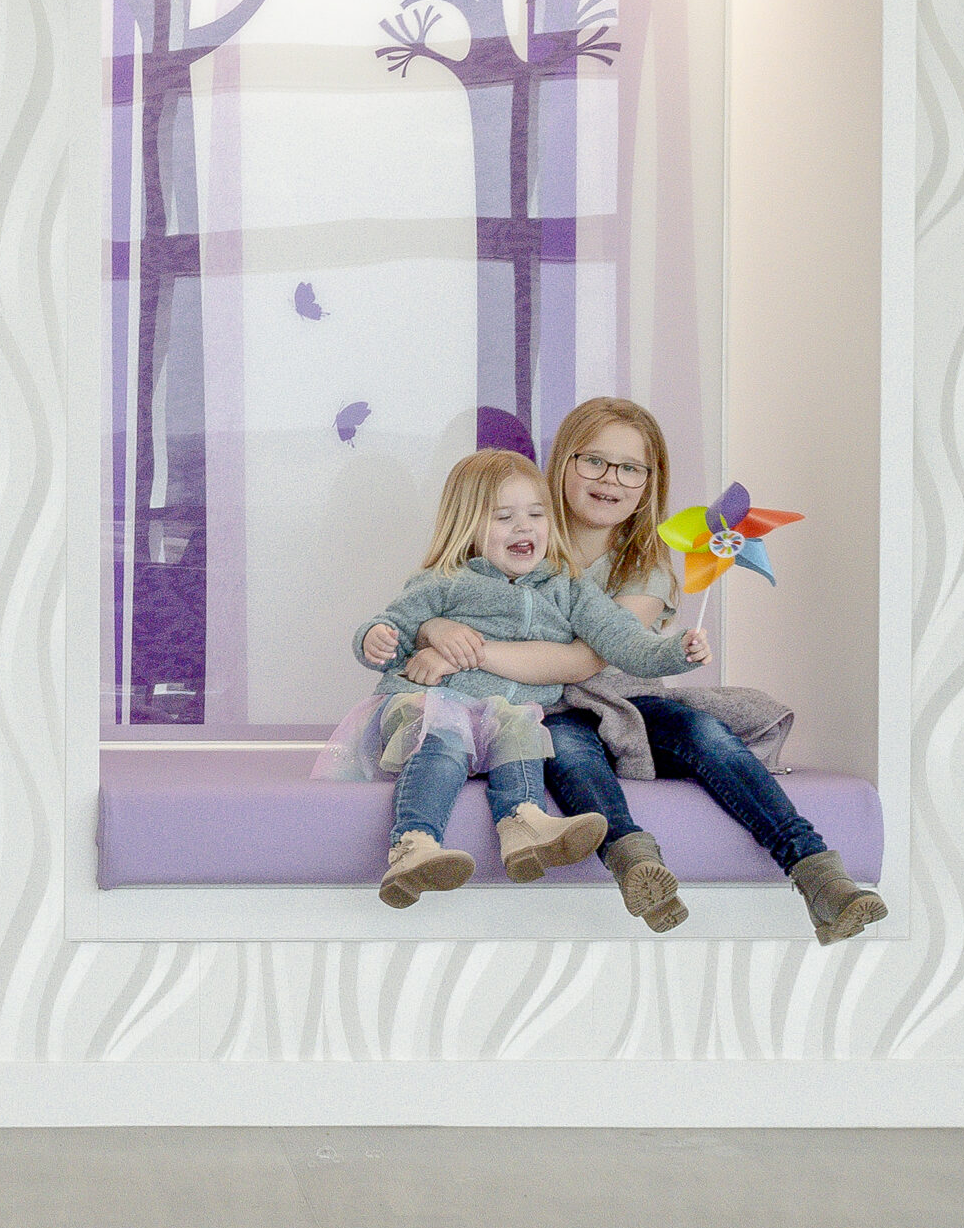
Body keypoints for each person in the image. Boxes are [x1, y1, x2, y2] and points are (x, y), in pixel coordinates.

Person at [420, 398, 888, 944]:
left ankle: (816, 870)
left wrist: (467, 650)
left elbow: (588, 657)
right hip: (548, 707)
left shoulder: (646, 566)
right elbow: (438, 600)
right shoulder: (521, 542)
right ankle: (635, 861)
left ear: (650, 482)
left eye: (631, 468)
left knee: (706, 733)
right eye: (593, 461)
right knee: (569, 752)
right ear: (563, 464)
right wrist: (435, 632)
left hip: (629, 700)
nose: (610, 479)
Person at [338, 447, 710, 909]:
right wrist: (375, 637)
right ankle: (414, 844)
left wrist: (676, 652)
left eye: (536, 514)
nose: (524, 527)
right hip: (431, 705)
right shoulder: (445, 580)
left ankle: (524, 824)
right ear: (468, 525)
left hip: (502, 715)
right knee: (447, 740)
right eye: (503, 517)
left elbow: (623, 640)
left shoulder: (570, 587)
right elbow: (389, 628)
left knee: (522, 728)